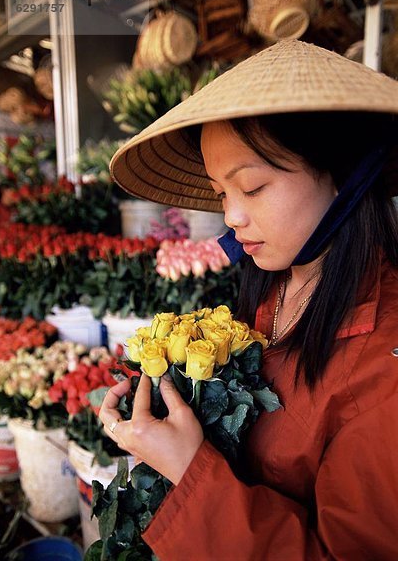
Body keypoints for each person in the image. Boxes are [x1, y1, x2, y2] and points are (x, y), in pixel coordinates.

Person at [99, 40, 398, 560]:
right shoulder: (276, 285)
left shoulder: (386, 368)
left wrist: (190, 470)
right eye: (221, 193)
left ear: (343, 177)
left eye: (253, 187)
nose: (231, 218)